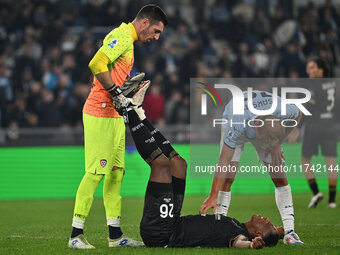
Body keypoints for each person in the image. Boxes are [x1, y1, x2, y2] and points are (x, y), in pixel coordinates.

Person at [112, 84, 284, 249]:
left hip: (161, 234)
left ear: (259, 233)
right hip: (174, 221)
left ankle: (127, 109)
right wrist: (283, 232)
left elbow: (239, 243)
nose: (268, 218)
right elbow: (275, 233)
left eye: (268, 224)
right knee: (179, 164)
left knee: (161, 166)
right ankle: (140, 114)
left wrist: (251, 245)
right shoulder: (238, 225)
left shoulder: (239, 235)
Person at [68, 4, 168, 249]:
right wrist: (115, 91)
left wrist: (126, 92)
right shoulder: (121, 36)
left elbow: (111, 75)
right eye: (155, 31)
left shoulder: (128, 42)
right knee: (95, 172)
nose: (156, 37)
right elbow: (96, 63)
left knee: (115, 173)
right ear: (144, 22)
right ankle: (75, 235)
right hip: (99, 112)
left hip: (113, 114)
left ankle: (115, 236)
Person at [199, 90, 304, 245]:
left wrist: (278, 143)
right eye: (265, 142)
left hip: (263, 123)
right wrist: (213, 194)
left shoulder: (284, 110)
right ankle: (218, 228)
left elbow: (299, 114)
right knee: (228, 178)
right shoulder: (237, 123)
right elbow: (223, 161)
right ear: (256, 126)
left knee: (279, 176)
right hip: (236, 121)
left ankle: (290, 233)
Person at [289, 58, 337, 209]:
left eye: (312, 68)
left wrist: (297, 129)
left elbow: (307, 109)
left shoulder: (313, 85)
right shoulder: (334, 84)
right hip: (331, 125)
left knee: (305, 160)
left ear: (321, 71)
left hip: (315, 126)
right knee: (331, 163)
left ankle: (316, 192)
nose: (309, 71)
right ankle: (332, 201)